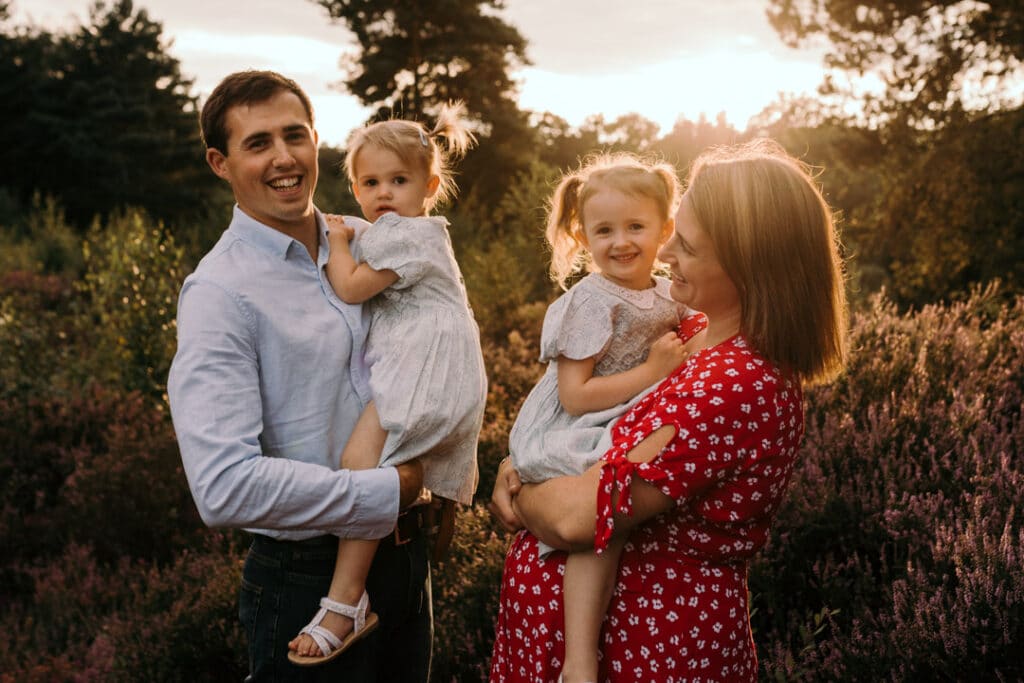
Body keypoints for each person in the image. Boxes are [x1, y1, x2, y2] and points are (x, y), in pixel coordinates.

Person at [489, 138, 848, 682]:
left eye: (688, 245)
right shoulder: (691, 333)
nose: (665, 254)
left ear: (748, 261)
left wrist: (525, 490)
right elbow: (588, 423)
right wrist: (516, 462)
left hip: (648, 654)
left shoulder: (736, 383)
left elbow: (578, 516)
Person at [166, 70, 432, 683]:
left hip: (408, 568)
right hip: (304, 580)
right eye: (258, 143)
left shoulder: (372, 244)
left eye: (295, 136)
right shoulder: (219, 294)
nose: (284, 158)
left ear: (318, 140)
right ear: (220, 163)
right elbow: (224, 487)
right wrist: (387, 493)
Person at [287, 103, 487, 665]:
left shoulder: (417, 235)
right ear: (353, 184)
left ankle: (346, 600)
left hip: (430, 363)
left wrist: (339, 240)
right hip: (417, 360)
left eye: (399, 181)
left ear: (429, 186)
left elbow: (351, 287)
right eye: (370, 181)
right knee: (375, 465)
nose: (383, 192)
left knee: (360, 463)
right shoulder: (392, 231)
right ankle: (431, 494)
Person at [506, 153, 690, 683]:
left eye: (636, 226)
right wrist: (653, 370)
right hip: (572, 425)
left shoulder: (665, 292)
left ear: (665, 228)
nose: (621, 242)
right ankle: (579, 660)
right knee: (600, 522)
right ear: (582, 236)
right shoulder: (591, 301)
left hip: (615, 415)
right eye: (603, 230)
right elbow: (576, 395)